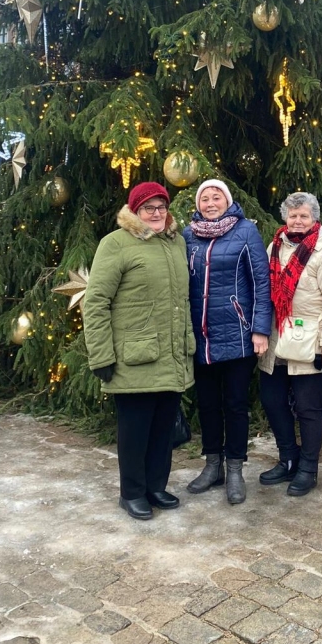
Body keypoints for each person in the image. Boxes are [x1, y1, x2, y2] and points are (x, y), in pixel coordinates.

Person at [84, 181, 194, 522]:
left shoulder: (176, 243)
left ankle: (156, 487)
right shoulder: (116, 243)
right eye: (149, 208)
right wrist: (101, 355)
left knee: (162, 428)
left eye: (162, 207)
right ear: (135, 211)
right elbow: (96, 302)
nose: (157, 213)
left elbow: (181, 301)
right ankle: (131, 493)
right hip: (134, 357)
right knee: (135, 431)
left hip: (172, 354)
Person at [183, 179, 272, 505]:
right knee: (207, 405)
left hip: (237, 334)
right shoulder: (188, 235)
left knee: (235, 405)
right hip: (201, 336)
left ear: (227, 201)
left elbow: (261, 282)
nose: (210, 203)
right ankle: (212, 466)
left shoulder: (245, 231)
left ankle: (235, 468)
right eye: (204, 198)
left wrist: (260, 329)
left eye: (216, 197)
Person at [258, 192, 322, 497]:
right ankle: (288, 458)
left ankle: (308, 468)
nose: (297, 221)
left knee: (308, 408)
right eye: (293, 215)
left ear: (314, 218)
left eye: (303, 216)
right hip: (276, 338)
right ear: (285, 217)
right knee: (272, 401)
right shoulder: (275, 246)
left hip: (310, 341)